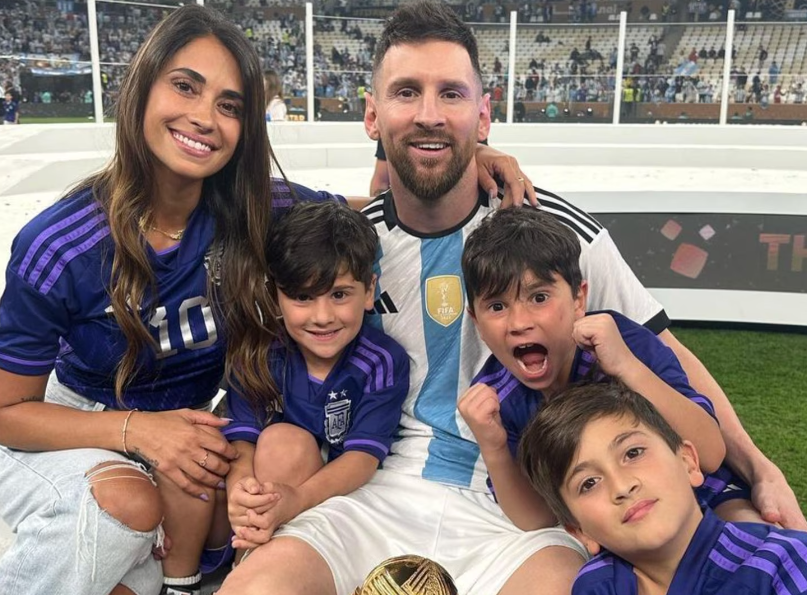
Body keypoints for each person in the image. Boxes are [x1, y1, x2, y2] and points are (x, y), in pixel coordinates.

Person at [219, 2, 805, 594]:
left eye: (451, 94)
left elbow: (670, 359)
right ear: (372, 115)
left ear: (483, 115)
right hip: (371, 486)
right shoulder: (351, 245)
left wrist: (759, 470)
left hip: (520, 507)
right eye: (406, 92)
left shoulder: (552, 231)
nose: (429, 115)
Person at [0, 6, 321, 595]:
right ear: (142, 88)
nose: (204, 118)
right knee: (126, 505)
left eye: (230, 106)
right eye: (185, 86)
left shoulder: (256, 209)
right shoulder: (60, 244)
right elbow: (7, 413)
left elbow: (358, 214)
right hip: (68, 426)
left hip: (187, 426)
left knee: (239, 496)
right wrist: (138, 431)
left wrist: (469, 158)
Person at [459, 208, 764, 529]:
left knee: (754, 535)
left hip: (702, 494)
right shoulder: (496, 398)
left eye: (539, 297)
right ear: (476, 321)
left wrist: (627, 367)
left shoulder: (623, 342)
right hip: (613, 531)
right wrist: (494, 448)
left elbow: (711, 453)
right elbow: (538, 520)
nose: (519, 323)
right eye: (497, 306)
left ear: (579, 300)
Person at [221, 200, 409, 553]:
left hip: (342, 498)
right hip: (269, 490)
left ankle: (263, 560)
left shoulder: (382, 360)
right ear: (274, 295)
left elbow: (363, 457)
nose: (322, 317)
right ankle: (247, 559)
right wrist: (242, 491)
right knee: (274, 447)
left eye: (339, 295)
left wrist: (295, 500)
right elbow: (241, 438)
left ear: (369, 291)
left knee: (284, 444)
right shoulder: (259, 352)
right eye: (303, 297)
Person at [519, 383, 807, 595]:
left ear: (688, 462)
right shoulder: (595, 585)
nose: (622, 486)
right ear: (581, 532)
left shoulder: (783, 562)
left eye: (633, 453)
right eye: (589, 483)